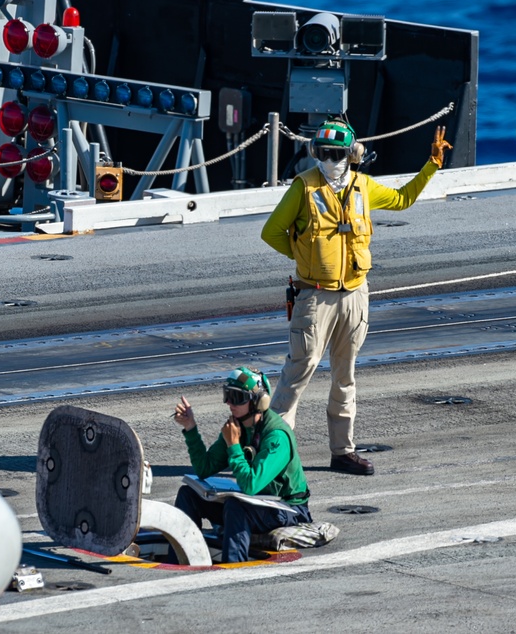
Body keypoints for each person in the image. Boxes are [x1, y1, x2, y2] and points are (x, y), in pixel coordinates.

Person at [261, 119, 452, 475]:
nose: (330, 159)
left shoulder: (364, 187)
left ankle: (343, 452)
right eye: (323, 153)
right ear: (314, 154)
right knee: (297, 374)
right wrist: (304, 255)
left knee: (345, 376)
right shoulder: (303, 188)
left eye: (336, 153)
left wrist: (432, 165)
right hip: (314, 297)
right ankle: (273, 455)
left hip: (355, 294)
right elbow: (271, 231)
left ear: (352, 154)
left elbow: (403, 199)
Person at [171, 366, 312, 563]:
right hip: (258, 502)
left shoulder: (277, 436)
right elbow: (204, 468)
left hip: (288, 509)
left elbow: (251, 485)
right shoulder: (237, 427)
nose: (229, 403)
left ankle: (234, 567)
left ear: (257, 401)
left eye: (236, 397)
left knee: (236, 506)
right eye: (227, 395)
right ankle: (181, 557)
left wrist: (234, 446)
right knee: (188, 494)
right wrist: (191, 428)